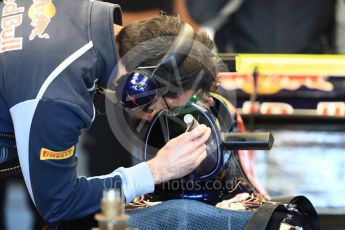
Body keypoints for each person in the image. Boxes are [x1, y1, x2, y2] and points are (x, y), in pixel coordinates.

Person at [0, 0, 218, 226]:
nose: (155, 113)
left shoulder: (84, 12)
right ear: (139, 83)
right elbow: (59, 203)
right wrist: (156, 171)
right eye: (165, 107)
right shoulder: (57, 94)